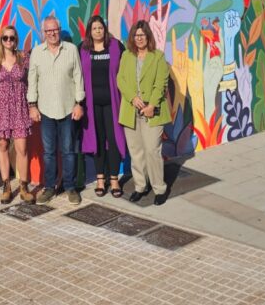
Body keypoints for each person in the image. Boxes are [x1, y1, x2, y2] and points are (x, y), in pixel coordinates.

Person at [27, 15, 85, 205]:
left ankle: (70, 187)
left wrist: (79, 103)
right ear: (43, 32)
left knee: (68, 151)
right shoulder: (37, 52)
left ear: (59, 31)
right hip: (45, 111)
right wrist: (32, 106)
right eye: (48, 30)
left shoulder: (71, 50)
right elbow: (32, 81)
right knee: (49, 152)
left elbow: (78, 77)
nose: (52, 33)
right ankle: (49, 187)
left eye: (55, 30)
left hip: (68, 109)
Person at [117, 20, 171, 206]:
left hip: (152, 112)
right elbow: (120, 80)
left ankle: (159, 188)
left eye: (142, 35)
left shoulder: (158, 57)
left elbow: (161, 84)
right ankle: (140, 186)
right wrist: (132, 97)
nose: (139, 38)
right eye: (136, 35)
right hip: (131, 111)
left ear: (148, 37)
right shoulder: (126, 56)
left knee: (152, 151)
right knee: (136, 152)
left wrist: (151, 105)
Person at [0, 25, 34, 204]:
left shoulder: (23, 58)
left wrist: (33, 103)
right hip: (0, 109)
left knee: (22, 148)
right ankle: (6, 185)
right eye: (5, 38)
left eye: (12, 38)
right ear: (1, 40)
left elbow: (32, 81)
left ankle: (24, 186)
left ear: (16, 40)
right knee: (2, 145)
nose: (9, 41)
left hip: (20, 108)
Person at [79, 16, 126, 198]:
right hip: (92, 105)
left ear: (104, 30)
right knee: (97, 139)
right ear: (89, 31)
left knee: (113, 139)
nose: (98, 31)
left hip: (113, 103)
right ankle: (100, 179)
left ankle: (114, 179)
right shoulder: (82, 49)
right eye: (94, 28)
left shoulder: (115, 46)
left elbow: (125, 71)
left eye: (100, 28)